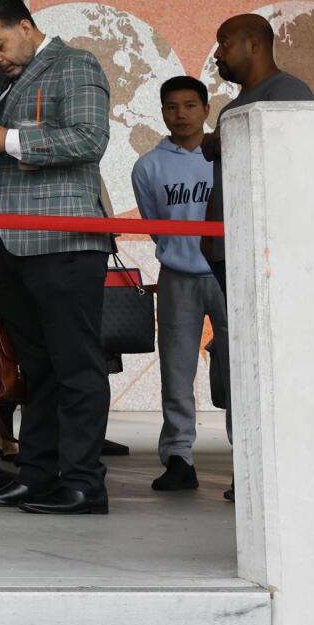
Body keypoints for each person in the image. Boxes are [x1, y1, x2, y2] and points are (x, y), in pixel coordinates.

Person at [0, 0, 115, 516]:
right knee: (37, 370)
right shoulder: (10, 84)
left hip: (66, 241)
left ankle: (84, 485)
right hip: (17, 243)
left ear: (27, 26)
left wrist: (11, 141)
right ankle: (37, 476)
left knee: (76, 368)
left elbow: (91, 139)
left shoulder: (75, 64)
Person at [200, 12, 313, 503]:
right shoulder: (233, 107)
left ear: (253, 43)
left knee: (271, 362)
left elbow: (291, 165)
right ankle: (247, 466)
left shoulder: (290, 93)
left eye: (224, 43)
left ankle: (281, 468)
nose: (218, 54)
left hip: (269, 256)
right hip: (229, 252)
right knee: (238, 362)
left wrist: (220, 142)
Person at [130, 76, 227, 494]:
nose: (181, 114)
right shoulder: (148, 166)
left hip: (226, 275)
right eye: (171, 107)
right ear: (162, 112)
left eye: (190, 105)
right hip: (177, 279)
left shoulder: (224, 158)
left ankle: (247, 458)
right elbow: (156, 228)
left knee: (238, 371)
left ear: (206, 110)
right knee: (176, 371)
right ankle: (178, 459)